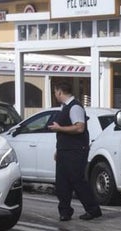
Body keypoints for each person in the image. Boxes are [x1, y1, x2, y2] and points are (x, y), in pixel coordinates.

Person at [48, 81, 103, 222]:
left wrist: (59, 128)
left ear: (59, 92)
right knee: (62, 183)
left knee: (77, 181)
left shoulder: (75, 107)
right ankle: (65, 212)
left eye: (55, 92)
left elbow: (79, 128)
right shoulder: (65, 107)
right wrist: (58, 149)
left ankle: (93, 209)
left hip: (75, 151)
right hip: (64, 150)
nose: (55, 95)